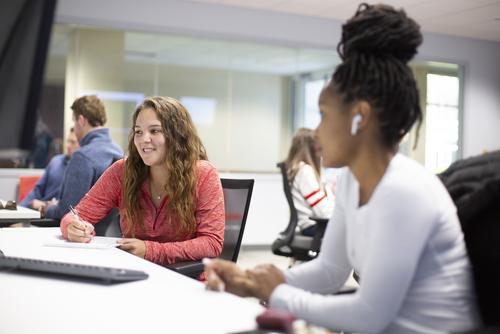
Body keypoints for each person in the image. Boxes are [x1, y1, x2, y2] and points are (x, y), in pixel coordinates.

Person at [205, 3, 481, 333]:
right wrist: (251, 281)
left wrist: (276, 292)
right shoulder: (353, 180)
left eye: (323, 115)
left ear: (359, 118)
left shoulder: (403, 190)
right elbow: (330, 270)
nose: (316, 131)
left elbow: (368, 316)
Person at [59, 96, 225, 266]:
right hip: (134, 272)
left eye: (154, 131)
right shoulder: (122, 171)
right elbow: (75, 216)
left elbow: (211, 243)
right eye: (138, 131)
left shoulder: (203, 174)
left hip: (183, 279)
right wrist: (73, 228)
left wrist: (150, 251)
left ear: (177, 134)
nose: (143, 139)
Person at [41, 95, 124, 220]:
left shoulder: (83, 156)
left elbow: (68, 211)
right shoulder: (118, 150)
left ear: (81, 120)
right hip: (111, 234)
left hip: (83, 233)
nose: (74, 128)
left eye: (74, 122)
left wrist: (46, 208)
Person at [285, 128, 334, 236]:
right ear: (313, 148)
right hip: (314, 227)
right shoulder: (305, 171)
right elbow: (323, 212)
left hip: (312, 225)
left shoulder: (298, 169)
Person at [20, 128, 80, 210]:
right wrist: (20, 209)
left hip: (55, 215)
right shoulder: (56, 161)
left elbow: (69, 203)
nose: (68, 145)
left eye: (73, 142)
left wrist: (44, 205)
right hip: (39, 211)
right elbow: (38, 190)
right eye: (68, 141)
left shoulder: (81, 168)